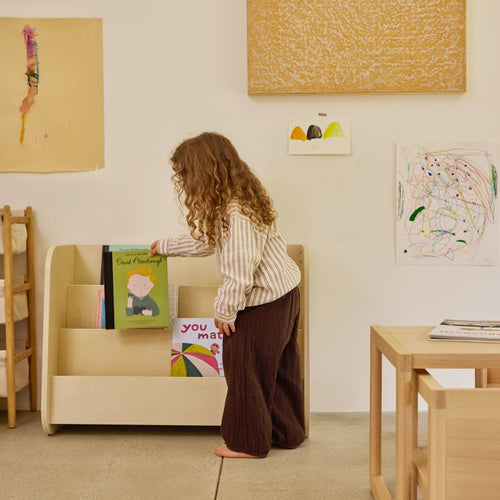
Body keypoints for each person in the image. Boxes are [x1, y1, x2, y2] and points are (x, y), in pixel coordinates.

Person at [149, 132, 306, 458]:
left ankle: (247, 442)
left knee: (244, 368)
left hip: (264, 302)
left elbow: (239, 271)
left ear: (206, 171)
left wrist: (225, 311)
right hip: (283, 293)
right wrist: (165, 246)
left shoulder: (235, 214)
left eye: (185, 174)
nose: (183, 182)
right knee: (277, 369)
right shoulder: (235, 204)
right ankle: (286, 431)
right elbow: (206, 241)